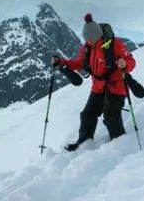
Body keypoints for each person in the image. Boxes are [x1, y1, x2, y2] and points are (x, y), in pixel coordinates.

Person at [52, 14, 137, 151]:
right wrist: (61, 63)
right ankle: (84, 142)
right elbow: (78, 63)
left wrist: (124, 64)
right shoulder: (87, 48)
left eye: (91, 39)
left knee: (111, 116)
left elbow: (131, 62)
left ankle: (120, 144)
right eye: (87, 39)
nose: (88, 41)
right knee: (88, 114)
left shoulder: (115, 45)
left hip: (116, 86)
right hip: (98, 88)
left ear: (98, 35)